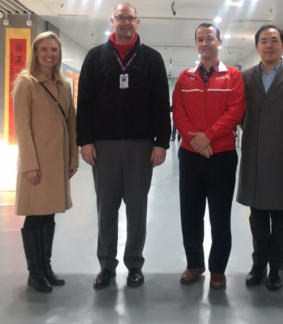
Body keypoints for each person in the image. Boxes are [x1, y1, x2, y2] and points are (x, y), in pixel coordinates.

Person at [76, 2, 170, 289]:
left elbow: (160, 104)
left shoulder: (152, 59)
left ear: (138, 22)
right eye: (120, 18)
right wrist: (85, 141)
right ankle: (106, 266)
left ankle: (134, 265)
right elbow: (86, 102)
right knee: (106, 209)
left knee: (137, 209)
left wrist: (161, 143)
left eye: (130, 18)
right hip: (103, 146)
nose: (125, 23)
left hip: (141, 147)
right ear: (112, 21)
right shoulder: (95, 57)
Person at [172, 23, 245, 289]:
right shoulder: (183, 78)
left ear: (219, 42)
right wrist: (195, 139)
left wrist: (208, 136)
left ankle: (217, 269)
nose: (205, 43)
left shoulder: (233, 76)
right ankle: (194, 264)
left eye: (210, 38)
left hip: (222, 155)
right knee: (189, 213)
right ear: (195, 45)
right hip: (190, 156)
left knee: (219, 215)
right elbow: (178, 113)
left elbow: (235, 111)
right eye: (200, 39)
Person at [237, 25, 283, 291]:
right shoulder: (245, 77)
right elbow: (240, 114)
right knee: (257, 218)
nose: (269, 45)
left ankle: (276, 269)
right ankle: (258, 265)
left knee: (280, 220)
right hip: (254, 157)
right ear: (257, 47)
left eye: (274, 41)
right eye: (264, 41)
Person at [13, 31, 78, 293]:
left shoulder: (63, 85)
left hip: (57, 160)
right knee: (34, 215)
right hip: (37, 161)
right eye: (45, 50)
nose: (50, 55)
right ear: (36, 53)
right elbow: (22, 126)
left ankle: (46, 267)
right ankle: (34, 271)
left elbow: (71, 123)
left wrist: (72, 158)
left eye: (54, 50)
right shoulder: (26, 82)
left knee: (49, 213)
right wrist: (29, 164)